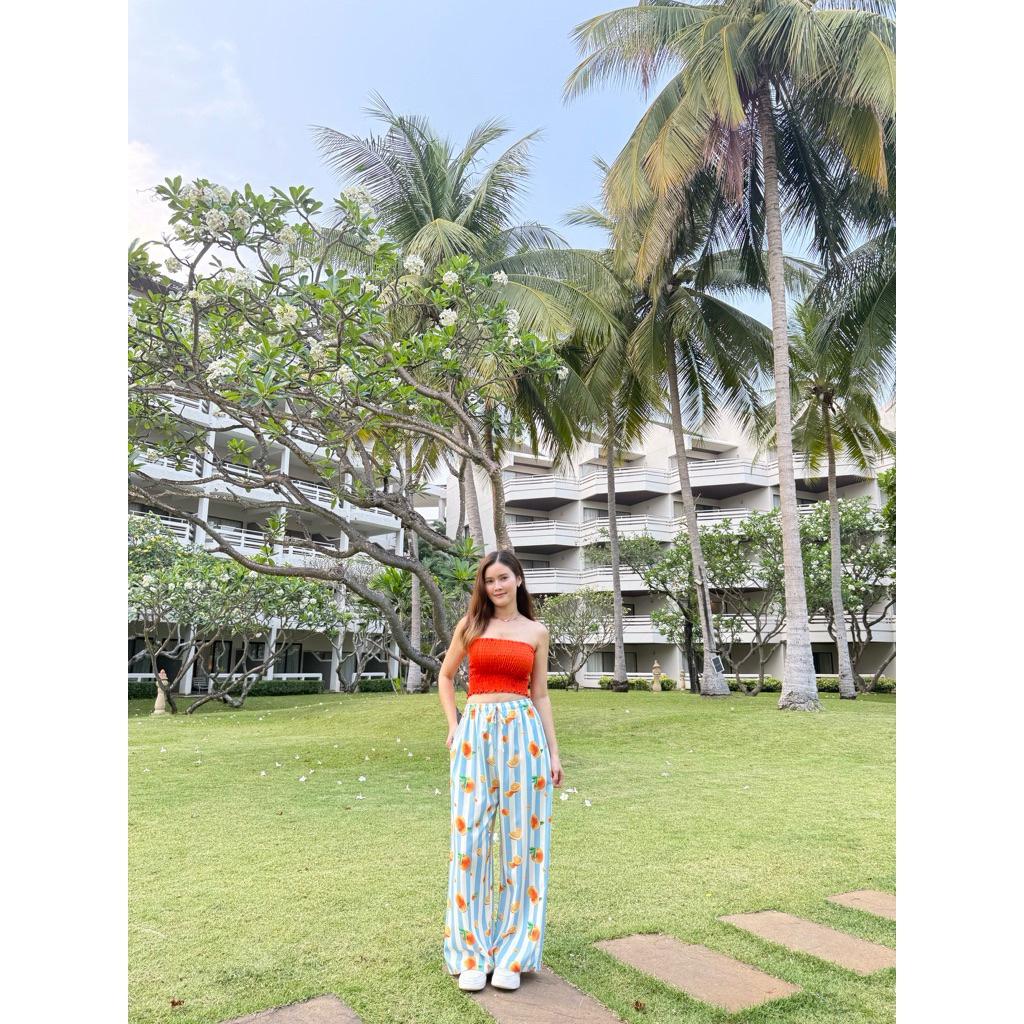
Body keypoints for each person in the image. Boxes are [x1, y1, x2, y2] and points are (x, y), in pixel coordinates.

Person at [438, 550, 563, 992]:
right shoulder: (471, 626)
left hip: (523, 735)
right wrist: (454, 726)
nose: (497, 586)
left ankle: (513, 954)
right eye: (489, 580)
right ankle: (471, 954)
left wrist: (553, 753)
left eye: (503, 578)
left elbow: (540, 694)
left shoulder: (536, 632)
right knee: (469, 842)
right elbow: (445, 677)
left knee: (523, 846)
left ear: (518, 579)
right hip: (475, 733)